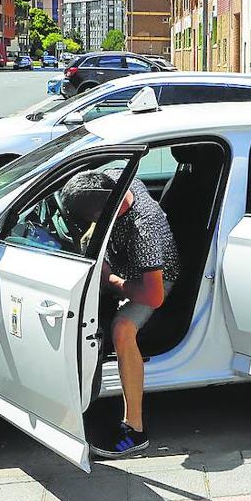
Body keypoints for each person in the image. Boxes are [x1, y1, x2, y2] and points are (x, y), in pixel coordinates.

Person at [61, 169, 180, 458]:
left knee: (122, 329)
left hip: (154, 279)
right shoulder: (115, 179)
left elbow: (154, 295)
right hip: (122, 263)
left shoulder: (145, 227)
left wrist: (111, 281)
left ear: (103, 213)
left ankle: (135, 430)